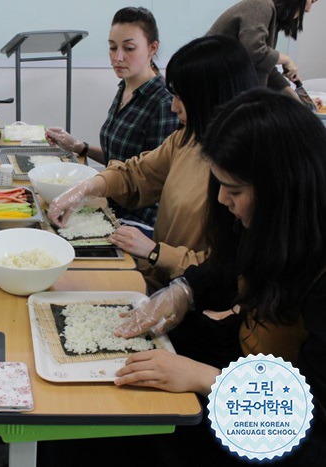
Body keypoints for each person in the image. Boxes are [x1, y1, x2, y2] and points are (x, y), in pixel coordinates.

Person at [113, 88, 326, 466]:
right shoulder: (275, 224)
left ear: (285, 188)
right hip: (248, 368)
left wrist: (205, 379)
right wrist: (185, 289)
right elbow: (228, 268)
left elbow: (310, 427)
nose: (225, 202)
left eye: (235, 190)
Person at [47, 35, 259, 293]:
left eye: (182, 97)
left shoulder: (244, 168)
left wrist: (155, 252)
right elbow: (135, 174)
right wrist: (87, 187)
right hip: (159, 277)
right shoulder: (186, 138)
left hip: (189, 292)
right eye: (112, 47)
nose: (173, 106)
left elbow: (224, 268)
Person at [46, 7, 178, 233]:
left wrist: (90, 190)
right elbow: (120, 158)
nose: (118, 57)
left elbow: (148, 176)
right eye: (112, 47)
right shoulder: (126, 87)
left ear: (152, 48)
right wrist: (78, 146)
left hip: (137, 219)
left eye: (129, 48)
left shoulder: (163, 103)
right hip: (111, 202)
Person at [207, 0, 318, 96]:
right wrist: (286, 59)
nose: (308, 10)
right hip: (209, 83)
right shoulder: (261, 5)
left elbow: (265, 66)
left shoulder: (272, 15)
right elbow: (254, 51)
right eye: (312, 1)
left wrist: (296, 100)